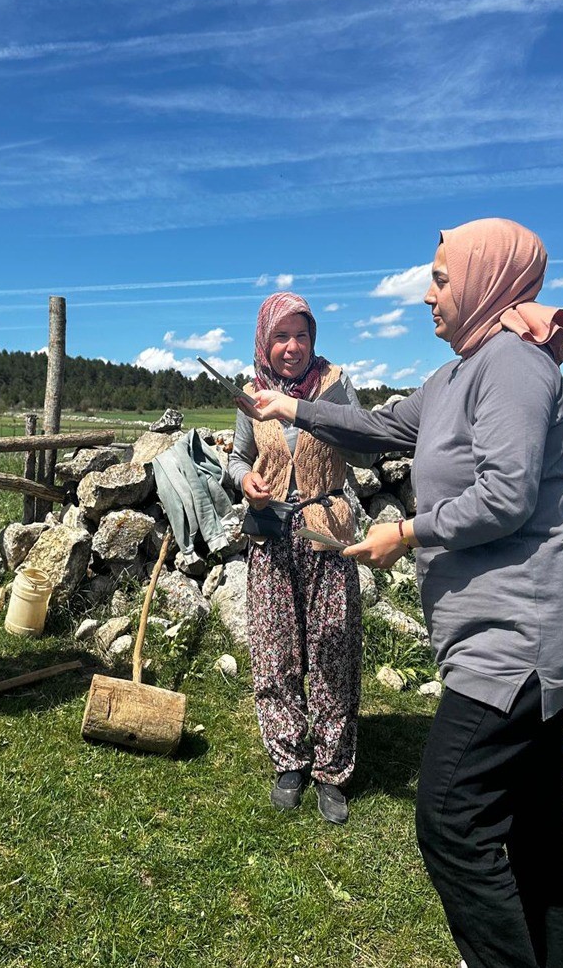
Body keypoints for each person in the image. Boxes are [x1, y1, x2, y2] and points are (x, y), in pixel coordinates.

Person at [245, 220, 563, 966]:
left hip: (519, 641)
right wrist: (293, 410)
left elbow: (505, 495)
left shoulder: (512, 366)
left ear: (484, 280)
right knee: (532, 826)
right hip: (516, 638)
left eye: (441, 278)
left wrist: (405, 533)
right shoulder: (453, 378)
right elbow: (375, 426)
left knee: (448, 818)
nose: (427, 293)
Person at [228, 292, 375, 825]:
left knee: (332, 649)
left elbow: (365, 449)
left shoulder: (334, 385)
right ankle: (290, 759)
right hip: (270, 534)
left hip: (326, 532)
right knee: (274, 652)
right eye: (281, 337)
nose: (292, 348)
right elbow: (240, 458)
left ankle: (332, 770)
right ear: (264, 342)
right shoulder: (251, 393)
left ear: (314, 339)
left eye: (302, 336)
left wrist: (320, 414)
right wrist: (244, 480)